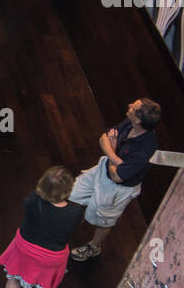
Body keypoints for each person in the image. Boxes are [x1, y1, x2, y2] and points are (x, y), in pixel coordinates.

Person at [0, 166, 85, 288]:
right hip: (52, 257)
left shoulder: (33, 200)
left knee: (14, 279)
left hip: (25, 248)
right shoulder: (75, 212)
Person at [68, 98, 162, 261]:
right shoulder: (131, 123)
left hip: (117, 190)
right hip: (102, 170)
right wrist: (116, 158)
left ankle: (93, 246)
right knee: (71, 192)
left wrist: (111, 151)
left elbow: (117, 177)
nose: (129, 105)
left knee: (104, 220)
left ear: (139, 120)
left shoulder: (145, 150)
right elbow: (103, 138)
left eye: (134, 107)